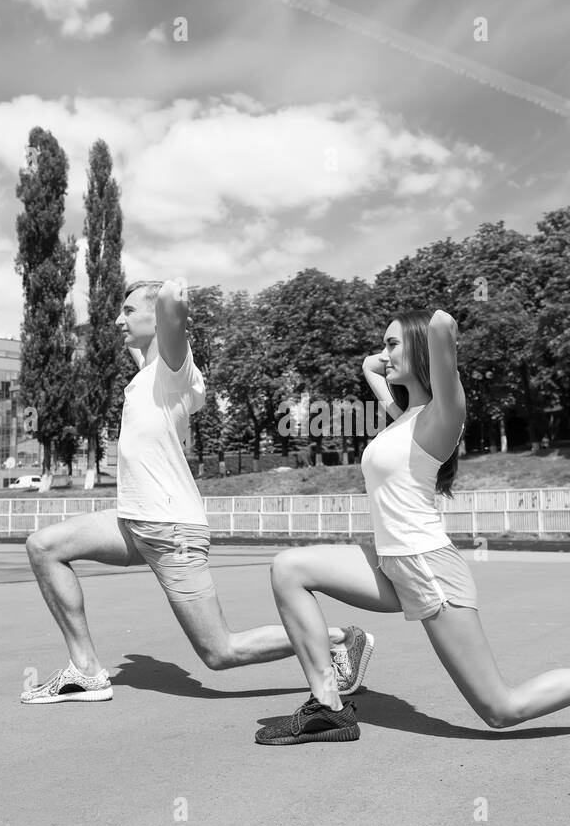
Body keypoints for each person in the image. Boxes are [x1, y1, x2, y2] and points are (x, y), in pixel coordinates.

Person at [256, 308, 570, 744]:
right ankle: (328, 708)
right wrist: (392, 353)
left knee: (501, 709)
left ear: (419, 350)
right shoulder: (401, 415)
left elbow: (441, 326)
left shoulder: (441, 417)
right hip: (389, 562)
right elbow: (369, 367)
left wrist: (424, 339)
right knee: (289, 568)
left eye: (392, 344)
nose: (383, 354)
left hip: (427, 570)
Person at [22, 280, 373, 704]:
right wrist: (142, 306)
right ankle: (86, 671)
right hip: (136, 523)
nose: (119, 319)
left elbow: (170, 309)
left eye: (129, 311)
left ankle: (338, 639)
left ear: (158, 320)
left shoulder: (175, 369)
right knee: (44, 546)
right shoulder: (147, 376)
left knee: (220, 652)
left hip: (172, 531)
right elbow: (144, 338)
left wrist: (171, 291)